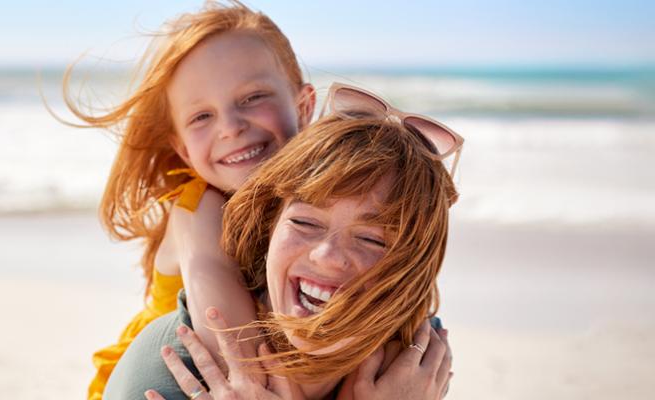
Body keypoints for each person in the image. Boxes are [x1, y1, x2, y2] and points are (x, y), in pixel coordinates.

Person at [104, 83, 463, 399]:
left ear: (415, 267)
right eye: (305, 222)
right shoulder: (176, 375)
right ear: (270, 227)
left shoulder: (411, 371)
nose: (327, 255)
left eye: (372, 239)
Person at [58, 2, 315, 398]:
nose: (230, 127)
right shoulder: (198, 211)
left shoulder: (324, 198)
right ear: (182, 149)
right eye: (201, 117)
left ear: (304, 106)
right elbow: (238, 357)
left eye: (253, 97)